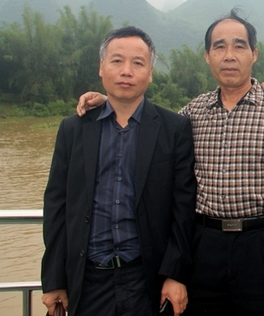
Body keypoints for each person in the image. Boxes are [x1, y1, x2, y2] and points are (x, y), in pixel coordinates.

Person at [77, 9, 264, 316]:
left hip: (262, 244)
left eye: (239, 46)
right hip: (204, 244)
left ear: (254, 54)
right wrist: (111, 102)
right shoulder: (193, 112)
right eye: (219, 47)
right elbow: (150, 123)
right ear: (207, 56)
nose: (229, 55)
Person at [42, 26, 197, 316]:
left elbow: (183, 208)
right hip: (87, 280)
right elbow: (56, 207)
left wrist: (175, 274)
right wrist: (54, 280)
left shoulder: (174, 128)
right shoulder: (73, 129)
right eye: (117, 61)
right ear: (102, 67)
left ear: (150, 72)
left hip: (147, 280)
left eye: (137, 63)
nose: (126, 71)